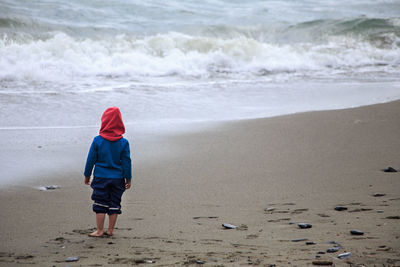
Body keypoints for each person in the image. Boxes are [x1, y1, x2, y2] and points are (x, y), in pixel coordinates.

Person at [84, 107, 132, 237]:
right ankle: (110, 230)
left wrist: (87, 175)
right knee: (114, 203)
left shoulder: (97, 141)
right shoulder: (123, 142)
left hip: (100, 177)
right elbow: (127, 162)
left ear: (103, 122)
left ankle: (99, 230)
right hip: (117, 178)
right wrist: (128, 178)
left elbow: (90, 160)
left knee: (100, 202)